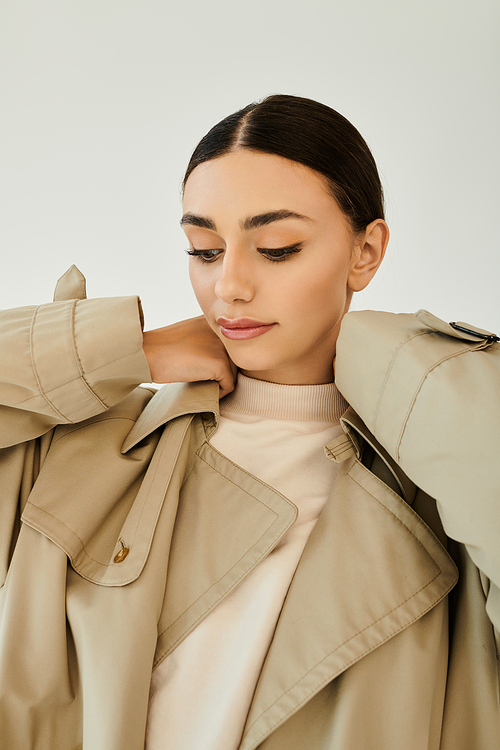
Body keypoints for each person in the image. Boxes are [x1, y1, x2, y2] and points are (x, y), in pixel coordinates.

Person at [0, 94, 499, 750]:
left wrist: (395, 355)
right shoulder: (79, 456)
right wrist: (132, 349)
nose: (228, 285)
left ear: (366, 251)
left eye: (276, 248)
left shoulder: (443, 502)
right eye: (204, 250)